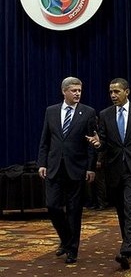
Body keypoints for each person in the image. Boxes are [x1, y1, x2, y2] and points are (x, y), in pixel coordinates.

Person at [86, 78, 131, 270]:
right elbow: (103, 141)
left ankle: (126, 250)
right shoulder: (105, 114)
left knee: (130, 208)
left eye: (116, 92)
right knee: (120, 210)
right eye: (110, 92)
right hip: (114, 170)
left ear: (127, 92)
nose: (113, 95)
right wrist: (97, 143)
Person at [38, 76, 97, 264]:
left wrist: (90, 167)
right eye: (74, 90)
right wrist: (42, 163)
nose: (78, 93)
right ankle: (66, 239)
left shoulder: (88, 113)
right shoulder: (51, 111)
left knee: (74, 211)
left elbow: (91, 144)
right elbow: (45, 140)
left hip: (76, 169)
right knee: (53, 206)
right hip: (54, 167)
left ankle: (72, 250)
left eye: (79, 90)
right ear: (64, 92)